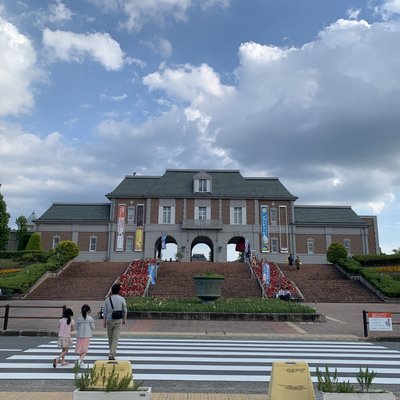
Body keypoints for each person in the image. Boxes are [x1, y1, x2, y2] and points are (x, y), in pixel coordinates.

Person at [103, 283, 127, 360]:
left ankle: (112, 351)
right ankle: (112, 353)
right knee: (115, 338)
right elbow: (125, 309)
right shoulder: (122, 299)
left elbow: (105, 312)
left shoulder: (107, 299)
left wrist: (104, 321)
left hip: (109, 320)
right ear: (119, 291)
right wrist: (124, 319)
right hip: (118, 320)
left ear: (112, 291)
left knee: (110, 338)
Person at [75, 304, 95, 368]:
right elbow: (93, 327)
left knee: (81, 349)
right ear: (88, 311)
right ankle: (79, 360)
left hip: (79, 336)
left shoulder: (79, 318)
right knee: (85, 350)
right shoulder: (90, 318)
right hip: (86, 336)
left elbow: (77, 328)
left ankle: (81, 362)